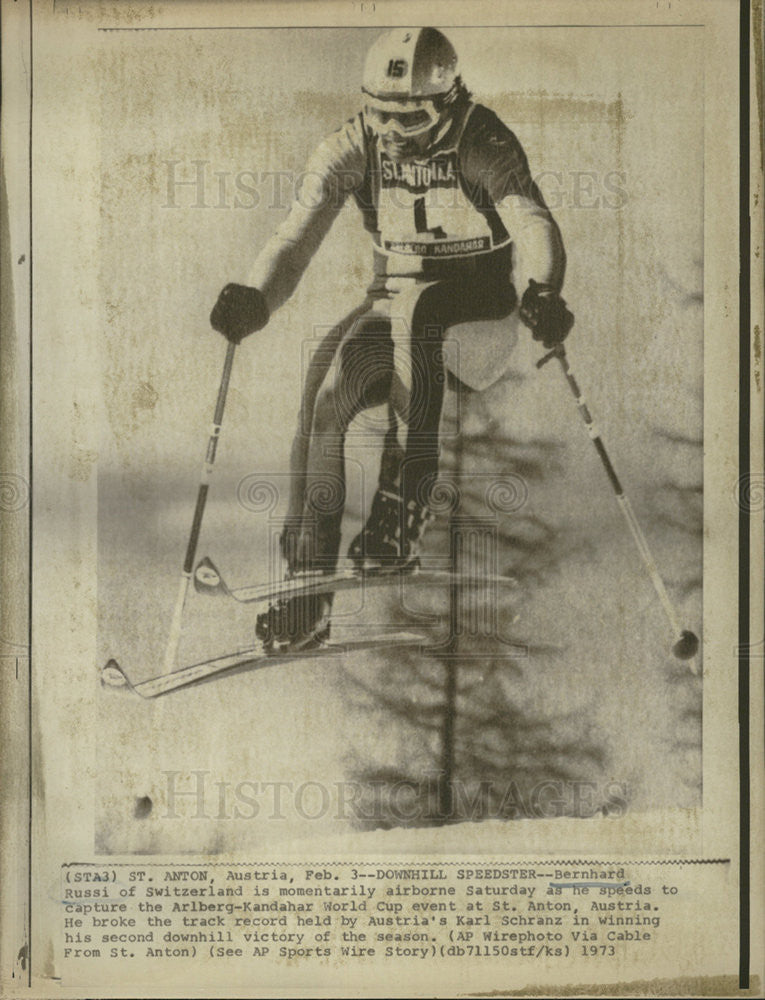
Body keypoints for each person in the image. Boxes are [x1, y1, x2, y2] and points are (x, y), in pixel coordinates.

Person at [210, 27, 574, 652]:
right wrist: (256, 296)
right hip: (398, 310)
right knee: (326, 394)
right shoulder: (352, 147)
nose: (395, 132)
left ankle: (403, 507)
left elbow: (533, 219)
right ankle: (307, 590)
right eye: (382, 113)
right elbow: (296, 239)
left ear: (449, 103)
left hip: (478, 320)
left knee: (421, 309)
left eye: (413, 116)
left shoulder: (481, 138)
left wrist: (544, 290)